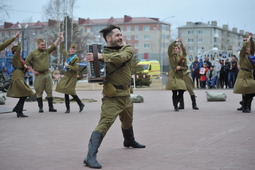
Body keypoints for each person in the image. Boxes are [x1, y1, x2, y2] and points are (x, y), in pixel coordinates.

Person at [83, 25, 145, 169]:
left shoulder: (127, 49)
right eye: (117, 35)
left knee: (128, 121)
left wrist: (101, 57)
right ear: (108, 38)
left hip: (127, 95)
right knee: (104, 124)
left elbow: (121, 58)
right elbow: (96, 74)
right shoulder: (99, 52)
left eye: (120, 35)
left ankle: (129, 141)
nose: (120, 37)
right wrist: (94, 63)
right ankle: (89, 157)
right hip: (112, 97)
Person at [25, 32, 63, 113]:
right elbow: (27, 62)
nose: (44, 46)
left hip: (47, 74)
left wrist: (59, 38)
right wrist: (32, 71)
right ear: (38, 45)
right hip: (39, 75)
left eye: (44, 44)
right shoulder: (33, 53)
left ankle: (51, 107)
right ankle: (40, 108)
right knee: (39, 91)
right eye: (42, 45)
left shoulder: (46, 51)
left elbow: (54, 46)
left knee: (49, 91)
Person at [6, 33, 34, 118]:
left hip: (20, 76)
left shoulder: (20, 60)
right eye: (18, 51)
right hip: (17, 77)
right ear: (15, 51)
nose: (20, 52)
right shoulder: (15, 57)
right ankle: (18, 110)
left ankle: (18, 110)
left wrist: (26, 68)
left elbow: (24, 68)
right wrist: (19, 39)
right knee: (26, 92)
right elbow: (18, 49)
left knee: (24, 94)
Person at [55, 43, 84, 113]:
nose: (72, 50)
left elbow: (76, 68)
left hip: (72, 76)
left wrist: (68, 66)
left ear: (75, 50)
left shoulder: (76, 58)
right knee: (65, 90)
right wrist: (61, 41)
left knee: (70, 91)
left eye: (73, 49)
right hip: (67, 75)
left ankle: (80, 104)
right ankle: (68, 108)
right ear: (69, 49)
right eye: (71, 49)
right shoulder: (68, 56)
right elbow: (63, 50)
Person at [233, 33, 255, 113]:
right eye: (246, 47)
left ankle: (247, 105)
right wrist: (248, 40)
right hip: (243, 74)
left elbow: (253, 47)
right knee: (244, 91)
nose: (247, 49)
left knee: (251, 90)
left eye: (248, 47)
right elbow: (243, 47)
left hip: (249, 74)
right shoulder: (242, 55)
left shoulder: (251, 55)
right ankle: (245, 106)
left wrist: (251, 39)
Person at [166, 38, 187, 111]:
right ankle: (175, 106)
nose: (175, 49)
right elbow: (169, 48)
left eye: (177, 48)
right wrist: (175, 41)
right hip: (173, 74)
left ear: (179, 50)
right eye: (174, 48)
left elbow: (186, 68)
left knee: (182, 90)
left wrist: (180, 67)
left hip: (179, 75)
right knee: (174, 91)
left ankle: (177, 100)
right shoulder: (171, 56)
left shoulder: (182, 58)